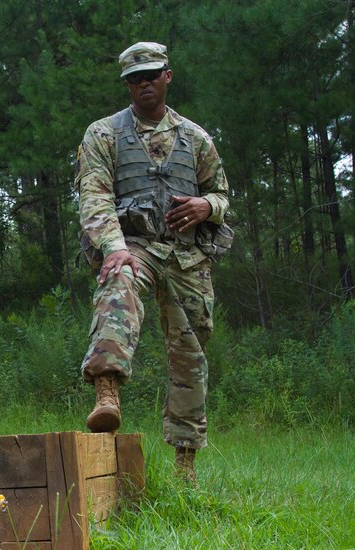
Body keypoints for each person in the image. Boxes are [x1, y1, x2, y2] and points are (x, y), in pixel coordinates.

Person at [75, 42, 230, 484]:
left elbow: (221, 192)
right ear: (127, 84)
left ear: (168, 76)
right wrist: (113, 246)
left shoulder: (196, 137)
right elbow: (94, 195)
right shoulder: (103, 134)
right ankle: (107, 391)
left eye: (152, 74)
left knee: (191, 354)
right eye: (135, 78)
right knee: (117, 279)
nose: (145, 83)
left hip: (186, 256)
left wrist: (206, 206)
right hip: (134, 245)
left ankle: (186, 465)